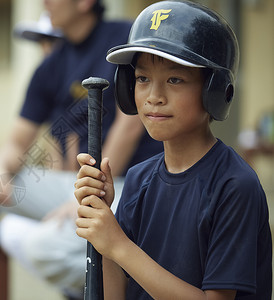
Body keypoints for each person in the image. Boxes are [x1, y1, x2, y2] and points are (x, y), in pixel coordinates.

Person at [0, 0, 163, 299]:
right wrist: (0, 168)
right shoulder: (52, 64)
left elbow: (129, 127)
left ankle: (126, 286)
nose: (45, 3)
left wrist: (91, 192)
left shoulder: (124, 39)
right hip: (78, 185)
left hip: (126, 186)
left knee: (42, 248)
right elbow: (18, 140)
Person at [74, 1, 272, 299]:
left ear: (214, 91)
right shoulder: (139, 179)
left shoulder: (234, 185)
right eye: (142, 79)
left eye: (175, 79)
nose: (154, 96)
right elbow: (117, 293)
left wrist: (119, 245)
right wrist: (106, 227)